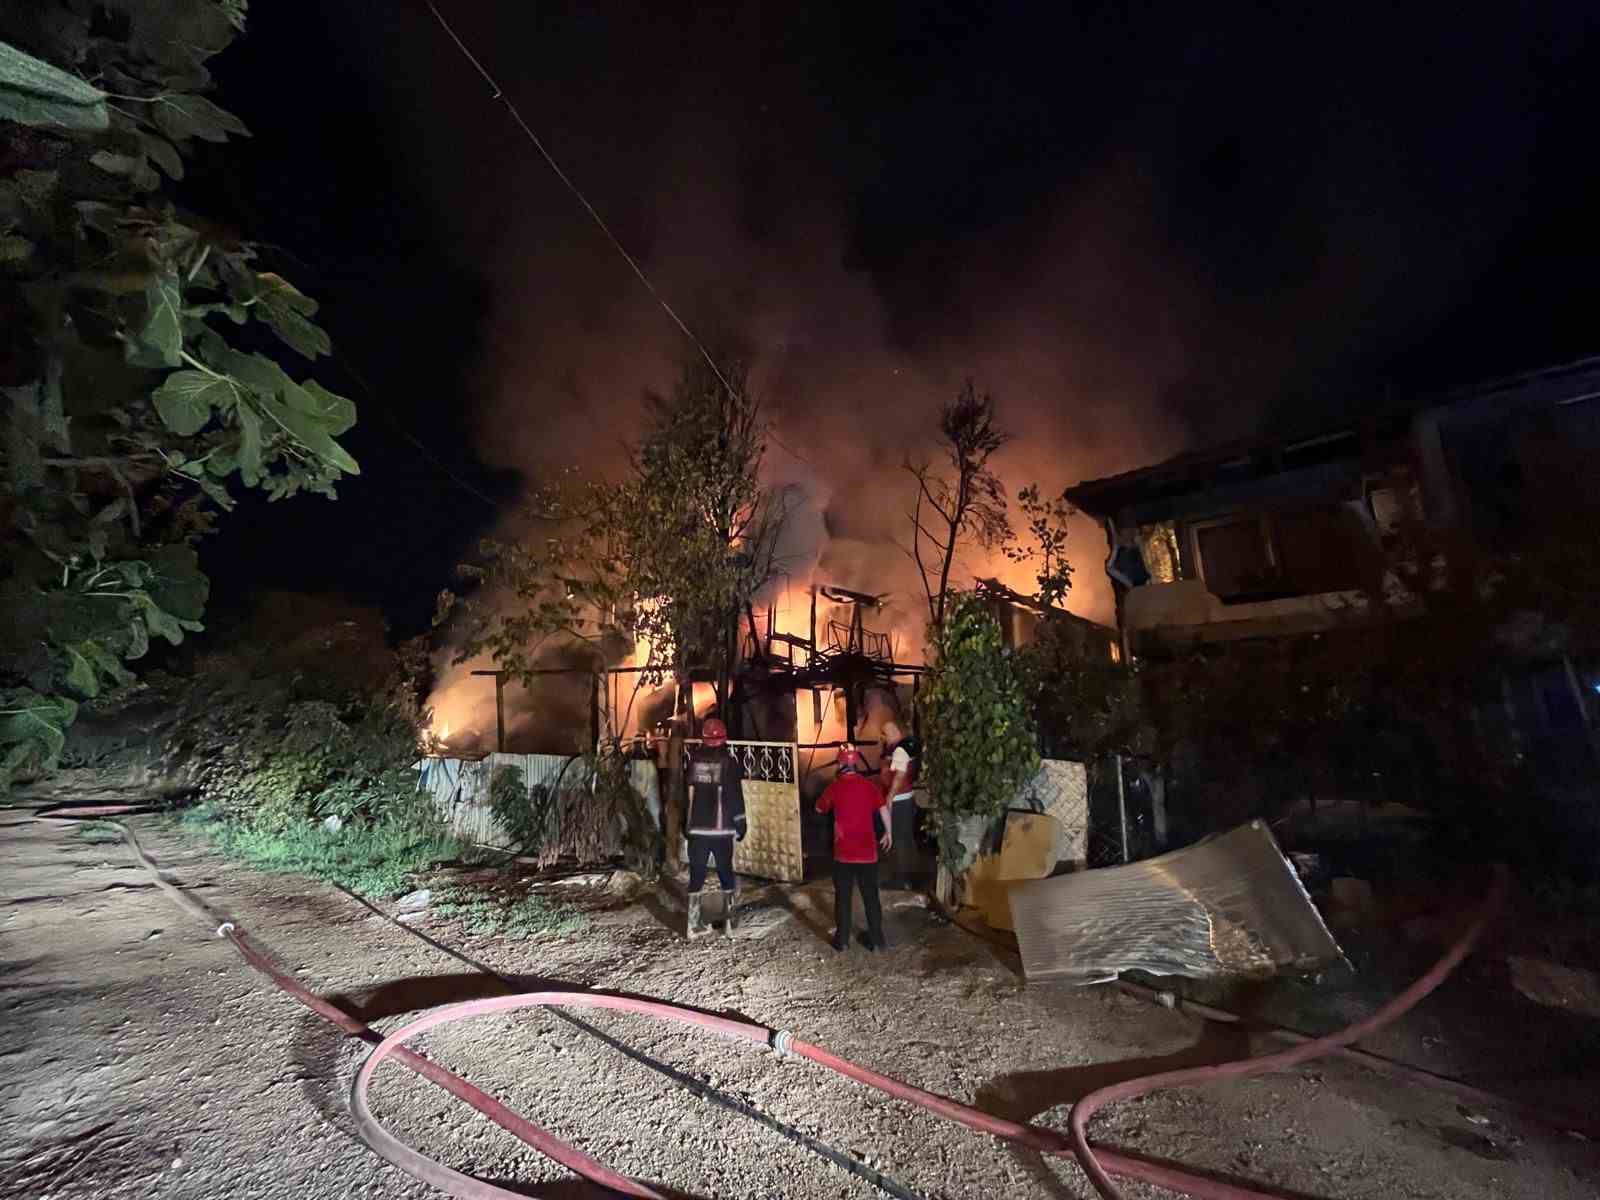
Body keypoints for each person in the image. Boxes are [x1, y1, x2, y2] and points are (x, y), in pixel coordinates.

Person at [816, 744, 889, 952]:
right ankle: (877, 940)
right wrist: (889, 832)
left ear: (840, 763)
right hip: (867, 853)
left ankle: (842, 941)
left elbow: (819, 808)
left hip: (843, 854)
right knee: (871, 896)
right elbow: (883, 809)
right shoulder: (869, 786)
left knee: (843, 897)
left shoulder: (834, 787)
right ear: (855, 763)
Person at [684, 717, 746, 939]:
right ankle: (730, 925)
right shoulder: (730, 763)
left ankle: (692, 926)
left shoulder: (693, 761)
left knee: (697, 874)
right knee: (725, 872)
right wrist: (740, 822)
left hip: (697, 830)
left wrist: (686, 824)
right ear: (724, 738)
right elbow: (734, 796)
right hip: (721, 830)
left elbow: (687, 795)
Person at [876, 720, 922, 889]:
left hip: (899, 800)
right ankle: (907, 876)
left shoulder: (900, 750)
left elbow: (899, 776)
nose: (883, 738)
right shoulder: (901, 747)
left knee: (899, 839)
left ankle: (901, 879)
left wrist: (889, 796)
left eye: (885, 735)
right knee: (904, 838)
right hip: (903, 799)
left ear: (893, 733)